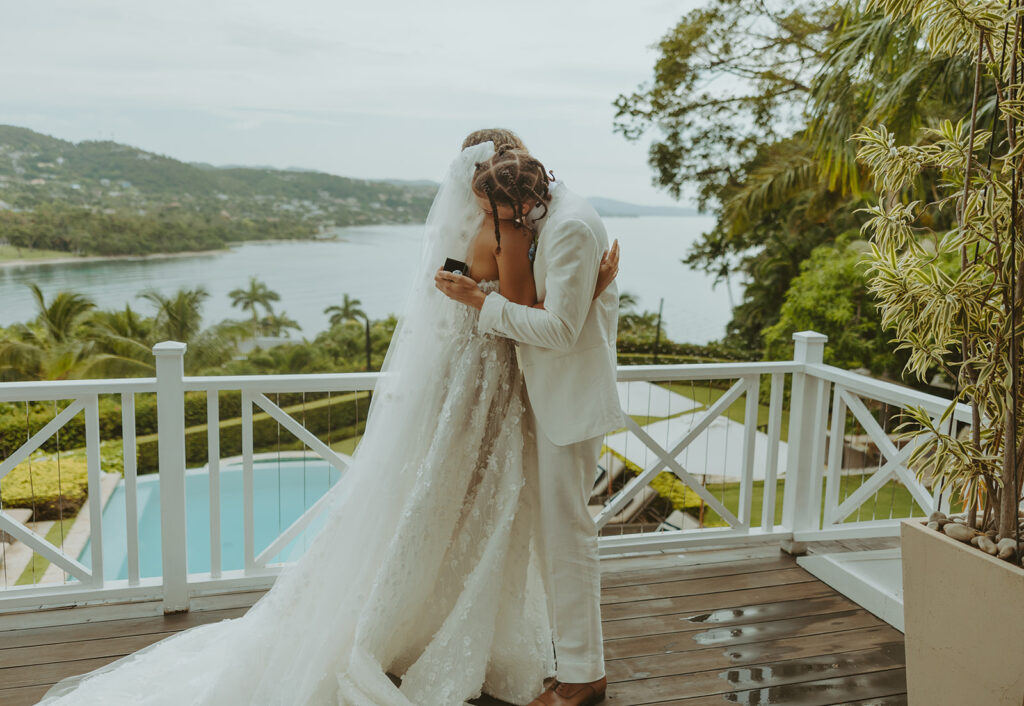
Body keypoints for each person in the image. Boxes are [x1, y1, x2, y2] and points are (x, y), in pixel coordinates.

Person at [35, 131, 617, 706]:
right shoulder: (513, 229)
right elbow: (527, 310)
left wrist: (572, 291)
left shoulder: (521, 227)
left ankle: (545, 661)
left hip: (509, 393)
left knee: (492, 520)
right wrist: (578, 290)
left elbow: (542, 319)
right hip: (498, 386)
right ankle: (537, 655)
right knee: (495, 518)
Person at [435, 144, 623, 706]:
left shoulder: (568, 228)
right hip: (543, 395)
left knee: (568, 538)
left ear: (519, 206)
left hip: (566, 401)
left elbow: (561, 331)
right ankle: (570, 660)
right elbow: (557, 304)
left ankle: (583, 677)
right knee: (551, 537)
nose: (488, 224)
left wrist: (477, 299)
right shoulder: (546, 215)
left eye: (493, 214)